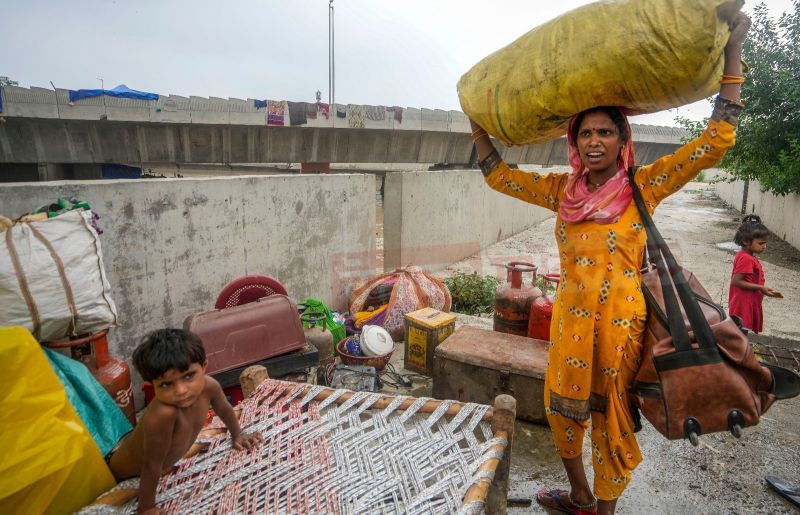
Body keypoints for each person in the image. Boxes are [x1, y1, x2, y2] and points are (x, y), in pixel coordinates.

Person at [470, 12, 751, 515]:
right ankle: (580, 494)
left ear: (623, 141)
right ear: (573, 142)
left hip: (620, 331)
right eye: (585, 134)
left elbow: (714, 142)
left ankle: (605, 510)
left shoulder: (644, 186)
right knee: (562, 414)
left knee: (610, 423)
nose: (594, 141)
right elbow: (500, 178)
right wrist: (478, 123)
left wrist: (733, 51)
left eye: (605, 132)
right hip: (568, 326)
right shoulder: (562, 192)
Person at [106, 329, 263, 515]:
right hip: (122, 473)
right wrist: (146, 507)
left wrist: (237, 434)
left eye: (188, 376)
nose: (180, 390)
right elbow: (150, 465)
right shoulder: (162, 414)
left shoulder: (209, 386)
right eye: (166, 384)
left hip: (157, 464)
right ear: (152, 385)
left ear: (204, 366)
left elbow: (223, 408)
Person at [728, 214, 783, 333]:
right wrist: (761, 288)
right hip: (743, 303)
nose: (764, 247)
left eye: (765, 243)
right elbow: (736, 281)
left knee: (741, 330)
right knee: (740, 331)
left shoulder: (747, 256)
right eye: (761, 243)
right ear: (745, 242)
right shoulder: (746, 259)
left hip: (747, 301)